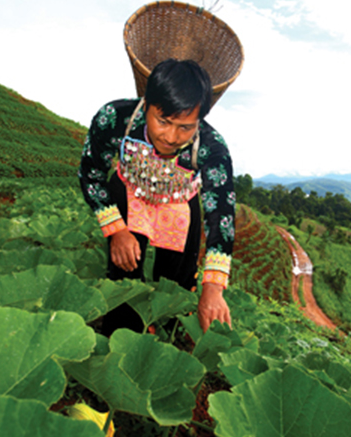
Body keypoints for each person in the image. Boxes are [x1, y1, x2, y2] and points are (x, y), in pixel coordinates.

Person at [78, 59, 234, 334]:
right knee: (124, 275)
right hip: (128, 193)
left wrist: (213, 288)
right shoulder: (115, 118)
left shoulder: (212, 148)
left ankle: (164, 336)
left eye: (186, 127)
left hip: (179, 204)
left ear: (200, 119)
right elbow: (90, 173)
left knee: (177, 286)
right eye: (163, 121)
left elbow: (221, 215)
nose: (172, 137)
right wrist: (116, 229)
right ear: (147, 103)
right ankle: (120, 336)